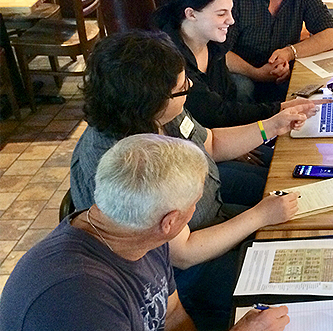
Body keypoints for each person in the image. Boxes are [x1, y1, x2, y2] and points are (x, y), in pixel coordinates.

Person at [69, 30, 313, 330]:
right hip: (189, 268)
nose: (191, 88)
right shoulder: (126, 162)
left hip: (207, 218)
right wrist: (260, 214)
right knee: (289, 291)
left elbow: (209, 143)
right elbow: (183, 254)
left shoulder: (157, 113)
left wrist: (272, 125)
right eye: (183, 86)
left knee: (297, 232)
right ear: (151, 100)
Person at [0, 134, 291, 331]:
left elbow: (174, 316)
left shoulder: (140, 232)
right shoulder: (79, 300)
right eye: (196, 202)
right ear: (170, 222)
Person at [153, 0, 321, 129]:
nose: (231, 20)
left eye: (231, 11)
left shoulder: (214, 45)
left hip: (222, 136)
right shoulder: (170, 61)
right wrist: (280, 110)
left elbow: (228, 103)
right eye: (221, 14)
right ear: (191, 14)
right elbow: (214, 113)